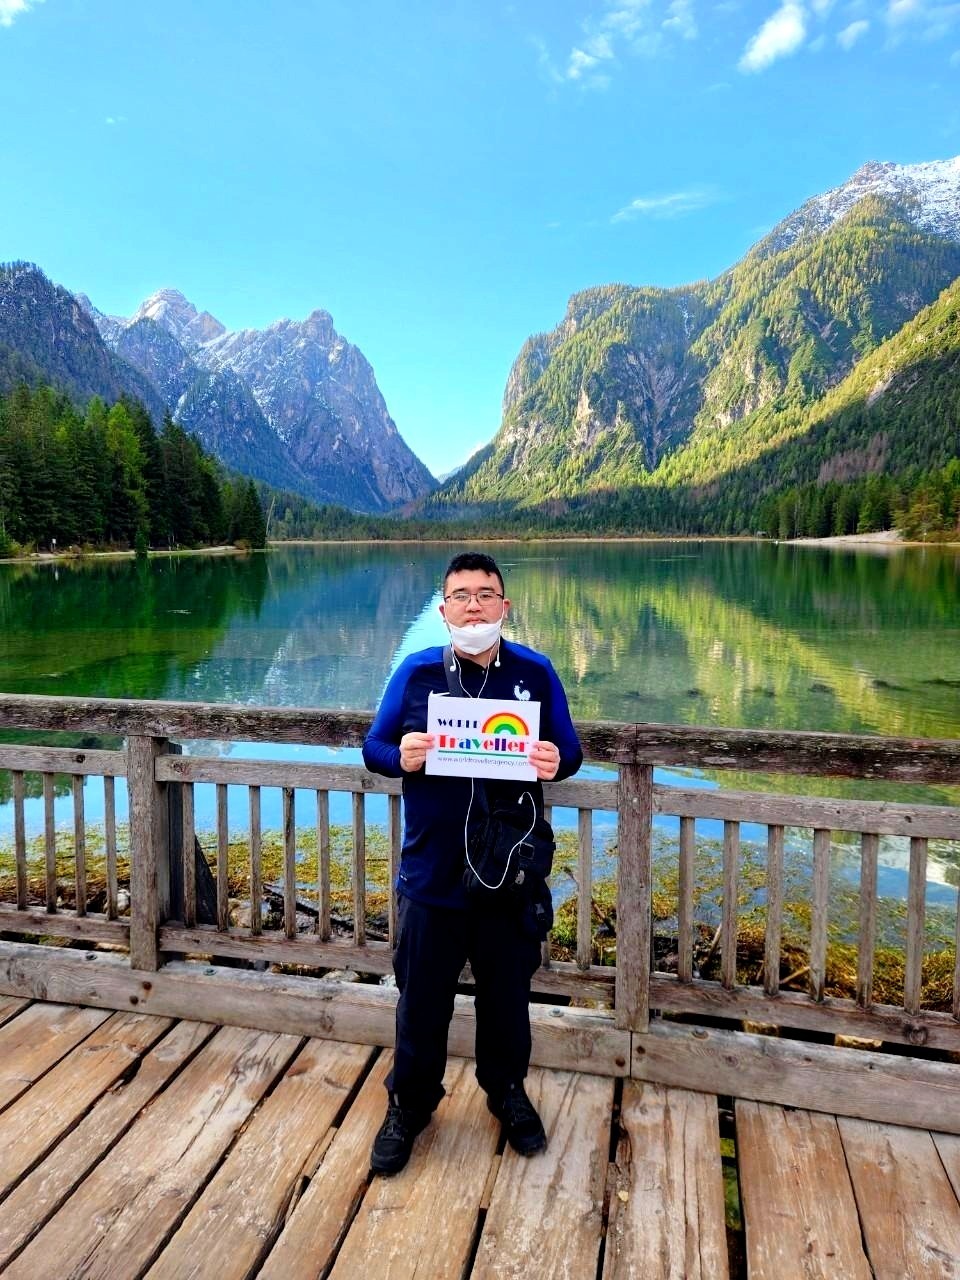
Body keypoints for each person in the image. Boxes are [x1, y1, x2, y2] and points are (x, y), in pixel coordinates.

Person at [362, 551, 583, 1175]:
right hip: (430, 874)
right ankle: (409, 1104)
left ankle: (507, 1092)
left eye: (486, 594)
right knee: (420, 1002)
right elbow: (373, 747)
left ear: (504, 605)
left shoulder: (535, 671)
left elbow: (570, 751)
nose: (474, 607)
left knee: (507, 998)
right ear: (444, 610)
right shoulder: (415, 672)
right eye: (461, 596)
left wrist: (554, 761)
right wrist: (401, 756)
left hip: (508, 874)